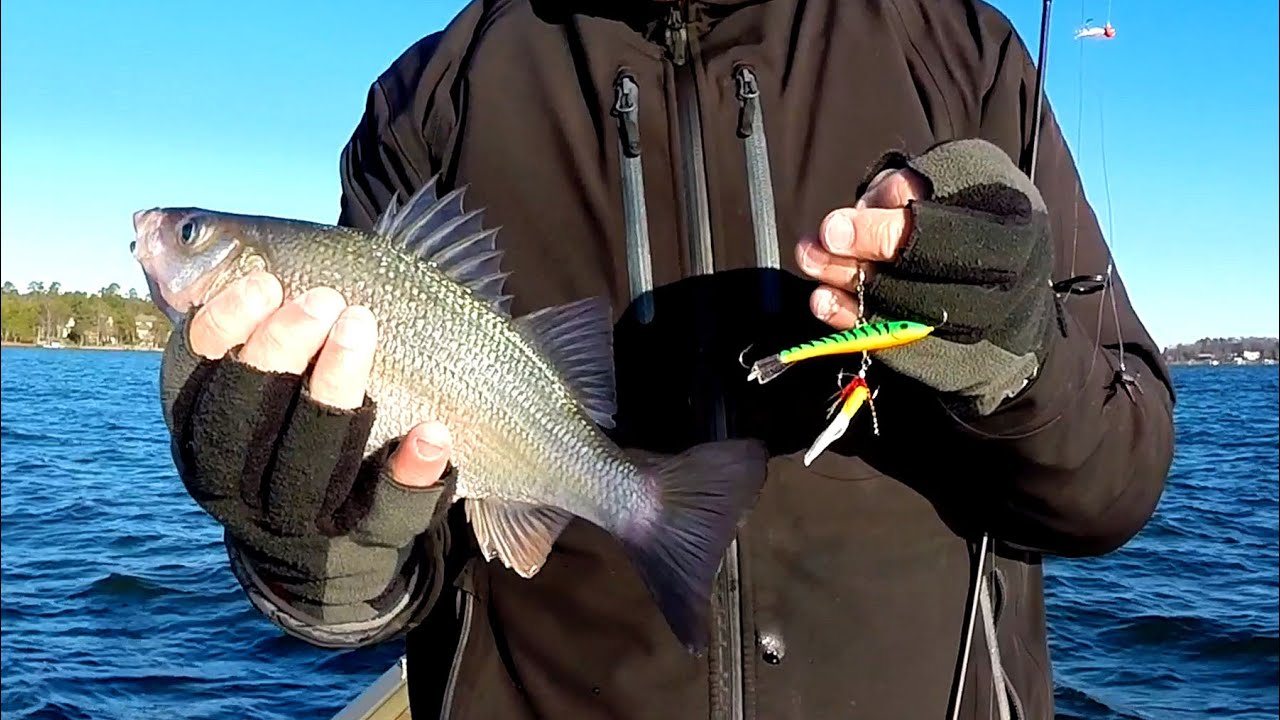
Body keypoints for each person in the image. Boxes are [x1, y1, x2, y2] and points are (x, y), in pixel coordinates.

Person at [159, 1, 1176, 718]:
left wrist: (1017, 362)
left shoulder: (959, 46)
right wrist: (311, 534)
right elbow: (379, 571)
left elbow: (1112, 489)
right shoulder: (428, 102)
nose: (160, 234)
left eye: (193, 232)